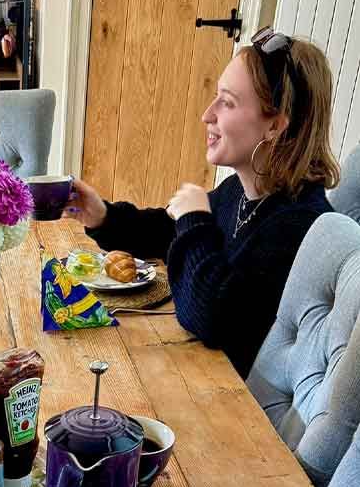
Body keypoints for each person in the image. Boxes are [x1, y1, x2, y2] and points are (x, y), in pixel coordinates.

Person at [69, 30, 339, 379]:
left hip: (239, 412)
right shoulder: (241, 193)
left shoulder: (301, 225)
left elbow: (212, 316)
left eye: (227, 102)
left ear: (274, 125)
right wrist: (103, 216)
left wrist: (195, 219)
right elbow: (169, 231)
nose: (206, 115)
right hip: (199, 376)